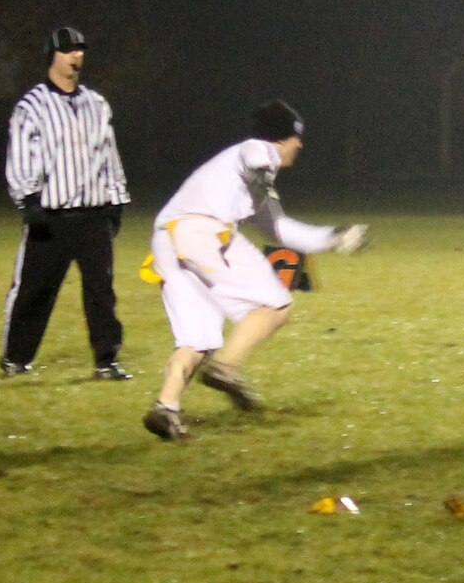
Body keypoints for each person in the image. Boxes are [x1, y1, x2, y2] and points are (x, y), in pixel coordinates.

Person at [140, 100, 369, 441]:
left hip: (169, 239)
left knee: (198, 338)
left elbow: (280, 231)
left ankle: (166, 408)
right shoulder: (257, 152)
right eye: (296, 137)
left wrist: (333, 238)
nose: (300, 145)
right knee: (277, 304)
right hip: (202, 233)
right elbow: (255, 153)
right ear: (281, 138)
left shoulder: (250, 177)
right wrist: (265, 167)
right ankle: (225, 368)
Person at [1, 26, 133, 379]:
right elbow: (20, 156)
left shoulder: (96, 103)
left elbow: (109, 155)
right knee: (34, 290)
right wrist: (28, 201)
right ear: (53, 56)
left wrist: (116, 199)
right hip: (51, 215)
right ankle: (16, 357)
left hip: (92, 214)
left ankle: (107, 361)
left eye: (80, 49)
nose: (77, 55)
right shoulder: (32, 105)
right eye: (69, 50)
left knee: (101, 293)